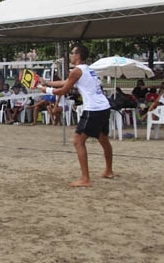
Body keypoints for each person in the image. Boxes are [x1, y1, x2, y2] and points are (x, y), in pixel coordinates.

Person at [39, 44, 114, 187]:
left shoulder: (77, 71)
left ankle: (85, 179)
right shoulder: (88, 69)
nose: (71, 55)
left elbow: (63, 90)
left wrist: (45, 89)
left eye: (73, 53)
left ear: (78, 55)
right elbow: (66, 82)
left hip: (94, 109)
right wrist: (46, 82)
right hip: (104, 107)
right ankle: (108, 171)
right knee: (104, 140)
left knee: (78, 141)